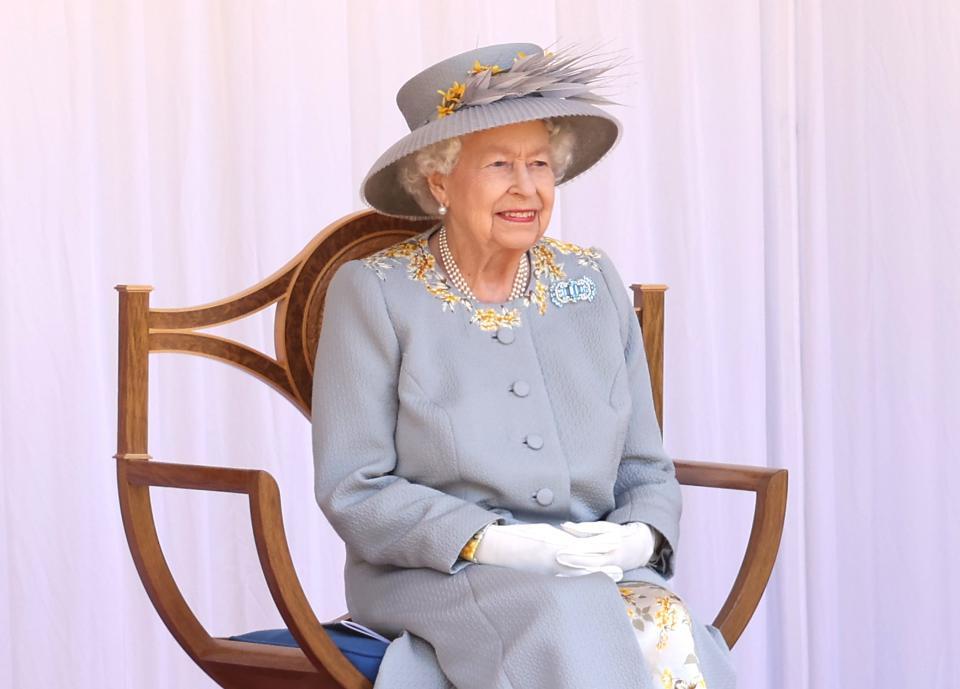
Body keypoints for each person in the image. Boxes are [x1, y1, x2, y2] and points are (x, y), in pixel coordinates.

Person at [312, 43, 735, 689]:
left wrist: (638, 538)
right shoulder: (375, 291)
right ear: (439, 181)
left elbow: (644, 464)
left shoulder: (589, 281)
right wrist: (495, 541)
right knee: (565, 618)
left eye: (540, 163)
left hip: (594, 567)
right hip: (438, 574)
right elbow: (354, 485)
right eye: (500, 164)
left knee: (666, 624)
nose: (527, 187)